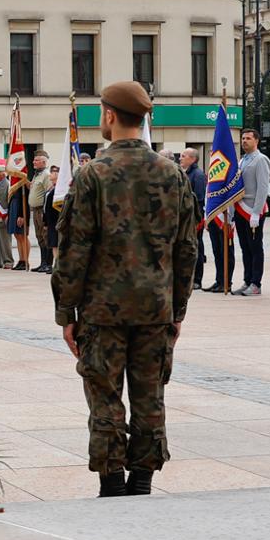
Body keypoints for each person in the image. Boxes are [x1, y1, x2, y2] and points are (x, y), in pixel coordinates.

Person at [51, 81, 199, 499]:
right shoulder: (172, 172)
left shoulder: (93, 174)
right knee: (150, 397)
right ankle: (142, 482)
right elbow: (187, 246)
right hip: (155, 308)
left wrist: (67, 313)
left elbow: (74, 250)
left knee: (105, 397)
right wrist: (178, 308)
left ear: (111, 115)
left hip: (103, 311)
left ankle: (113, 483)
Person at [231, 130, 270, 296]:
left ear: (257, 141)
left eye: (248, 138)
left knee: (255, 247)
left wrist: (256, 212)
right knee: (245, 247)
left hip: (252, 209)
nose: (244, 141)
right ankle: (247, 280)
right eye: (243, 138)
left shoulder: (260, 160)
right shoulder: (242, 160)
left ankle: (256, 283)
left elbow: (263, 187)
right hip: (240, 209)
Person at [180, 147, 209, 289]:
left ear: (192, 159)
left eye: (183, 156)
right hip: (187, 217)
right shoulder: (186, 173)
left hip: (194, 218)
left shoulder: (197, 175)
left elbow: (199, 198)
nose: (180, 158)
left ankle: (197, 279)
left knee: (197, 248)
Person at [27, 152, 52, 271]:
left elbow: (48, 193)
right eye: (34, 160)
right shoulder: (36, 175)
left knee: (45, 236)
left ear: (44, 162)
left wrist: (46, 213)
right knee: (39, 237)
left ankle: (48, 263)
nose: (33, 162)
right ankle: (42, 263)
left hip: (42, 210)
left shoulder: (46, 175)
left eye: (36, 160)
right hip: (35, 211)